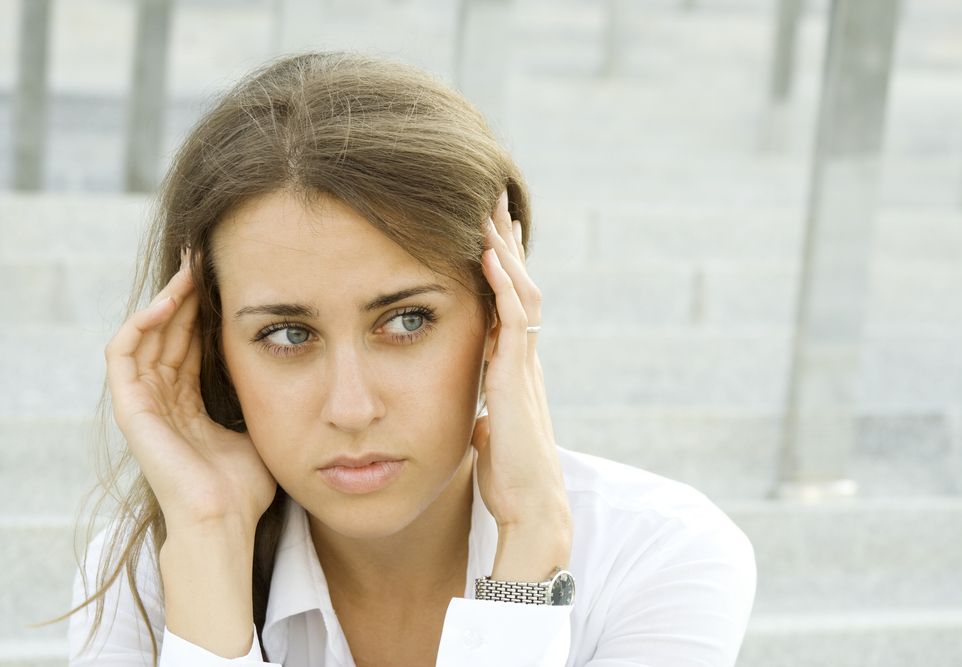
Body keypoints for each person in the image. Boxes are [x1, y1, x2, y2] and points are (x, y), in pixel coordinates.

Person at [59, 51, 756, 666]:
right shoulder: (151, 572)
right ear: (213, 350)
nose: (352, 407)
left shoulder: (656, 554)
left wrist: (531, 549)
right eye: (288, 335)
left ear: (498, 320)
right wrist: (210, 539)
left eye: (407, 320)